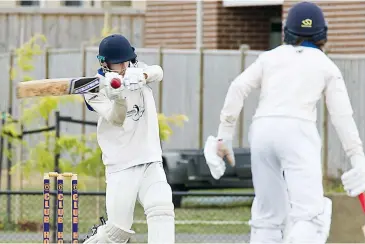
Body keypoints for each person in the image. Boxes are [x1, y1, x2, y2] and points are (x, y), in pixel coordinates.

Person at [203, 1, 365, 243]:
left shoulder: (269, 58)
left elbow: (237, 87)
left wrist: (223, 137)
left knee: (267, 218)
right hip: (299, 131)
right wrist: (358, 159)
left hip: (262, 131)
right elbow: (342, 118)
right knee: (310, 216)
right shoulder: (326, 65)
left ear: (287, 31)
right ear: (323, 34)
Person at [82, 34, 175, 244]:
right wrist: (118, 98)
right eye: (118, 63)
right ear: (104, 63)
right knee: (117, 233)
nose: (123, 66)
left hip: (150, 159)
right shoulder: (94, 89)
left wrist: (141, 75)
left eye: (126, 60)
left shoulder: (137, 69)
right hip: (121, 165)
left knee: (162, 208)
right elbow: (116, 119)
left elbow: (158, 71)